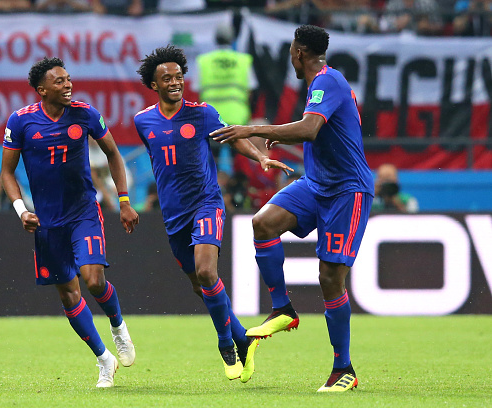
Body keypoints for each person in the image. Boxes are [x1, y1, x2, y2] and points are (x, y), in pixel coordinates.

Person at [211, 25, 375, 392]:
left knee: (330, 278)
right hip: (317, 183)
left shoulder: (327, 81)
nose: (290, 56)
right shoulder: (320, 84)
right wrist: (280, 132)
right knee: (263, 223)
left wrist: (251, 129)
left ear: (298, 52)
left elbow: (311, 129)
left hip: (346, 191)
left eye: (291, 50)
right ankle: (283, 308)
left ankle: (343, 368)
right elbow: (308, 128)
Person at [134, 45, 293, 383]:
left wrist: (260, 158)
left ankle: (225, 343)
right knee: (198, 284)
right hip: (173, 214)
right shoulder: (142, 121)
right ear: (154, 85)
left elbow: (232, 139)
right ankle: (241, 337)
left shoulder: (203, 113)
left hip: (206, 204)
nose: (175, 82)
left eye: (179, 77)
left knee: (207, 272)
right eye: (167, 78)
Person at [0, 57, 139, 388]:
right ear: (42, 89)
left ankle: (118, 327)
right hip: (47, 223)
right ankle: (104, 359)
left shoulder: (85, 114)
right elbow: (7, 172)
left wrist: (123, 201)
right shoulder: (20, 122)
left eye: (69, 79)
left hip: (83, 213)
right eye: (59, 81)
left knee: (93, 280)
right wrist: (22, 211)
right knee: (67, 295)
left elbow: (114, 154)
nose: (68, 85)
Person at [194, 22, 257, 162]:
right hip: (237, 117)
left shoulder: (203, 61)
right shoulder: (243, 60)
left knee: (212, 161)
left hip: (211, 117)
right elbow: (250, 91)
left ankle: (212, 184)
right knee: (238, 160)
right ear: (232, 39)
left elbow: (197, 92)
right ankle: (236, 183)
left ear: (215, 39)